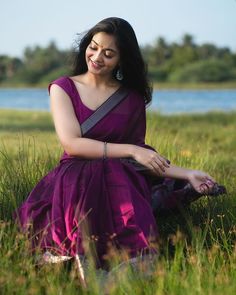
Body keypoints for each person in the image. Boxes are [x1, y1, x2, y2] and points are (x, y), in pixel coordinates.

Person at [15, 17, 218, 271]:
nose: (97, 56)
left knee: (117, 176)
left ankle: (127, 262)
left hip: (121, 180)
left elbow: (142, 160)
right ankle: (80, 254)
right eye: (94, 46)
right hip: (74, 178)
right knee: (94, 174)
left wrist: (188, 174)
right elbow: (72, 144)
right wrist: (131, 149)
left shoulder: (131, 99)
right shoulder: (63, 88)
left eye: (108, 53)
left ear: (122, 59)